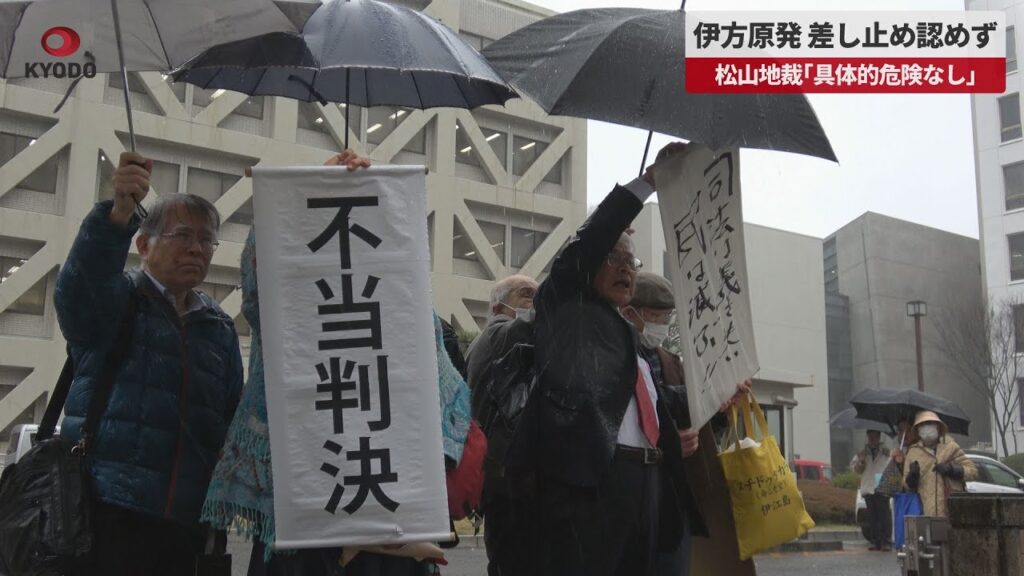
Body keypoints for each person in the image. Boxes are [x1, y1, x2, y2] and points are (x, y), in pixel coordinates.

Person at [201, 150, 450, 576]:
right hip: (306, 508)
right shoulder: (290, 302)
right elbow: (260, 283)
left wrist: (368, 193)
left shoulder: (404, 308)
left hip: (388, 507)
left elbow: (435, 392)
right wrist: (310, 192)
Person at [509, 141, 698, 576]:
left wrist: (715, 395)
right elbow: (587, 244)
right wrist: (647, 184)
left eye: (631, 260)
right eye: (612, 258)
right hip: (593, 485)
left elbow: (650, 406)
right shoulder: (564, 307)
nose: (626, 269)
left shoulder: (624, 335)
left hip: (649, 487)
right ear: (588, 263)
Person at [55, 152, 244, 574]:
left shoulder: (219, 328)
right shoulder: (115, 302)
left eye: (207, 239)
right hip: (107, 511)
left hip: (188, 523)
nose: (197, 248)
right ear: (143, 244)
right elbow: (77, 288)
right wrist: (118, 214)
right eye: (182, 235)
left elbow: (229, 420)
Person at [619, 272, 706, 576]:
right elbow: (649, 402)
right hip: (629, 497)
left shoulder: (672, 361)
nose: (663, 325)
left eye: (668, 316)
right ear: (632, 312)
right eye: (657, 316)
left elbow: (696, 417)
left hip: (672, 496)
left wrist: (719, 404)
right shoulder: (615, 353)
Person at [466, 274, 539, 576]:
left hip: (498, 474)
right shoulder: (500, 334)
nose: (535, 302)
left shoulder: (483, 343)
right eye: (526, 295)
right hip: (509, 476)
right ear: (497, 308)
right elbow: (533, 324)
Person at [900, 410, 976, 517]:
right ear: (917, 430)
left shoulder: (951, 447)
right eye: (922, 425)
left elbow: (972, 472)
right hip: (925, 513)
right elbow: (906, 485)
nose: (927, 428)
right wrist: (912, 477)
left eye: (930, 424)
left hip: (951, 512)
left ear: (938, 427)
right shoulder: (913, 452)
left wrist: (951, 469)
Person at [852, 430, 892, 551]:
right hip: (868, 487)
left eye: (874, 436)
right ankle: (875, 541)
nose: (872, 439)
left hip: (882, 486)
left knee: (884, 515)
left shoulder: (885, 452)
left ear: (879, 437)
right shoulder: (863, 452)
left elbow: (891, 466)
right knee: (872, 516)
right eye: (870, 436)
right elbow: (856, 470)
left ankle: (886, 540)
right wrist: (861, 461)